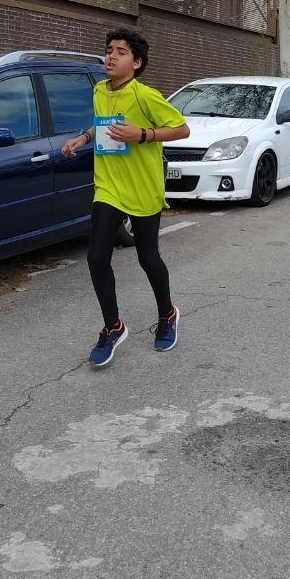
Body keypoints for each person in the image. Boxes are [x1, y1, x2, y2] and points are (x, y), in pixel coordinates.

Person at [61, 28, 192, 367]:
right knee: (96, 257)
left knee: (148, 257)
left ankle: (167, 314)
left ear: (136, 63)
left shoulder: (145, 96)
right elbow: (102, 124)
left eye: (120, 52)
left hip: (142, 186)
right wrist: (82, 138)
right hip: (108, 186)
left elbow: (182, 129)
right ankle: (113, 327)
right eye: (109, 50)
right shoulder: (99, 91)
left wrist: (142, 134)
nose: (111, 56)